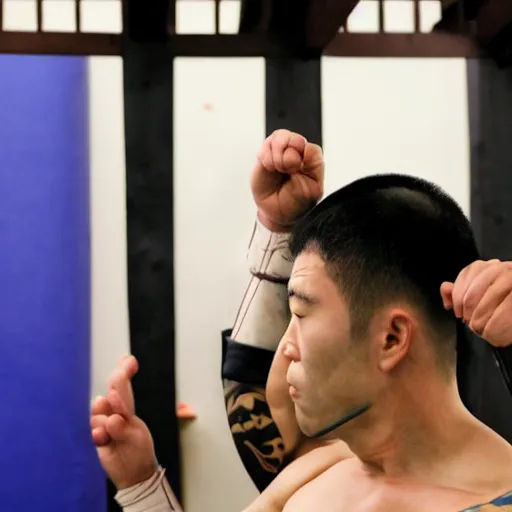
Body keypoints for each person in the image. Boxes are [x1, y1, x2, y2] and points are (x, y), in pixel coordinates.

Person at [91, 130, 512, 511]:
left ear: (391, 338)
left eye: (301, 314)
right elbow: (251, 381)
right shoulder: (317, 471)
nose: (286, 345)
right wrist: (140, 485)